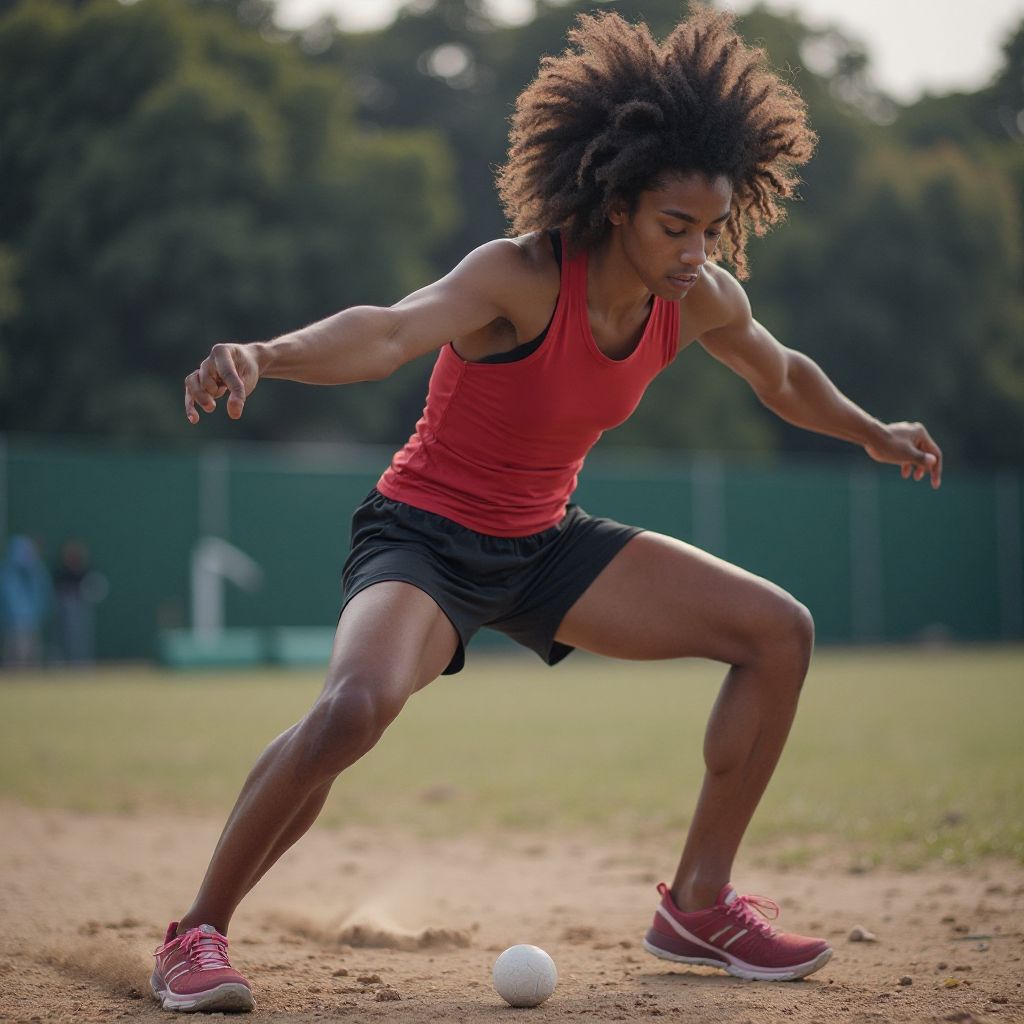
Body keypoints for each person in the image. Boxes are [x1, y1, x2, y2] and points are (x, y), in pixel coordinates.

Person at [155, 7, 943, 1013]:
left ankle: (699, 905)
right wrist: (264, 355)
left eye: (712, 228)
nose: (696, 250)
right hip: (424, 537)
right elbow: (388, 333)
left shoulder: (698, 295)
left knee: (778, 631)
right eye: (674, 226)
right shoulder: (520, 276)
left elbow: (781, 375)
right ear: (616, 204)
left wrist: (873, 431)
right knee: (353, 710)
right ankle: (195, 935)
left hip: (542, 542)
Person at [0, 534, 52, 669]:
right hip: (13, 624)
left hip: (32, 623)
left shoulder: (37, 573)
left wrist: (36, 617)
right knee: (16, 658)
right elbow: (8, 600)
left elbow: (41, 596)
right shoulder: (8, 574)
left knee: (32, 657)